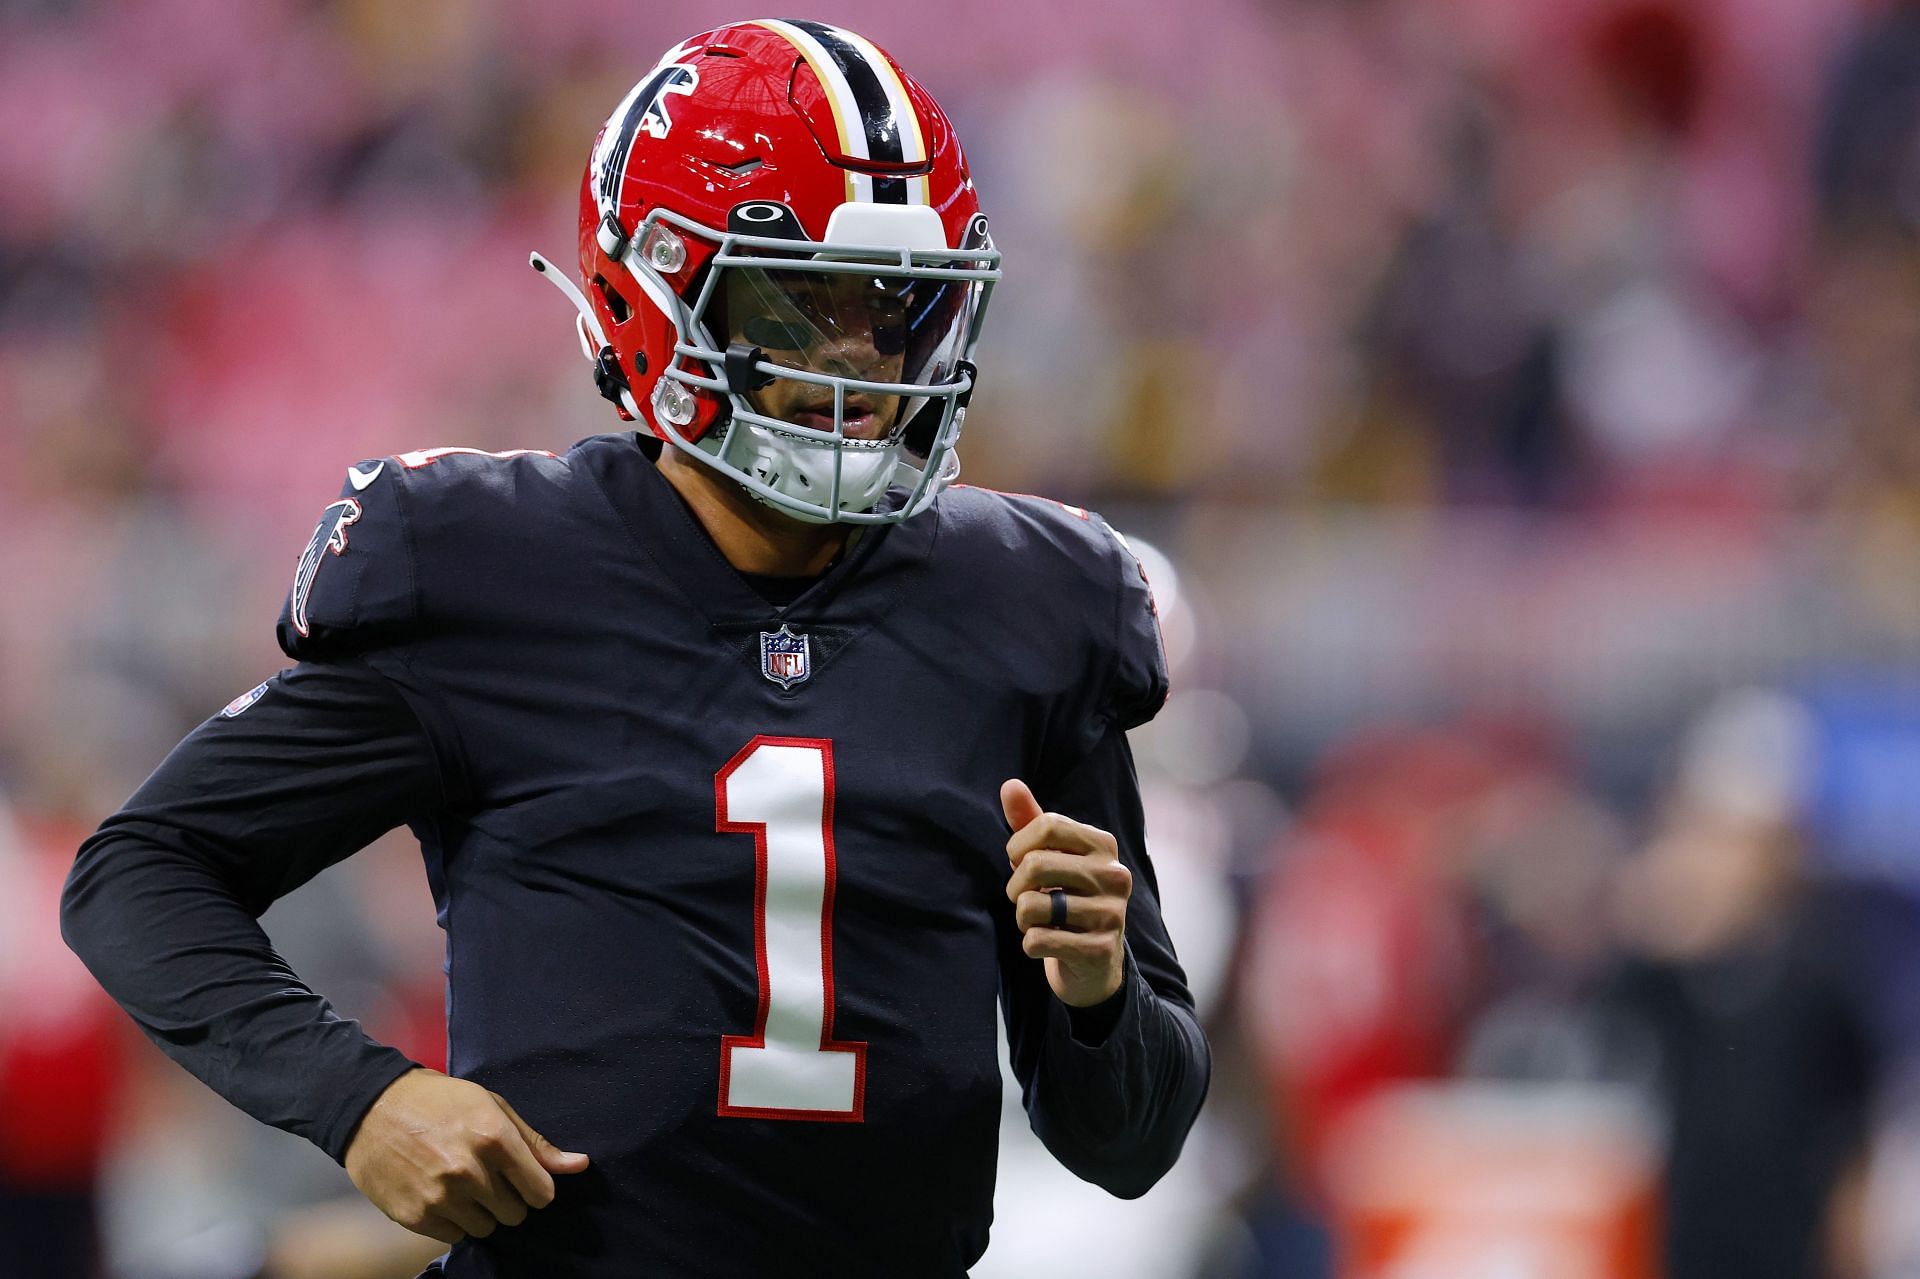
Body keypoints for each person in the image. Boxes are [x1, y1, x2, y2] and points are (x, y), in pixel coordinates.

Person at [60, 19, 1210, 1277]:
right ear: (656, 291)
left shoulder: (1028, 605)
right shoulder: (495, 573)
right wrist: (362, 1097)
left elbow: (1130, 1146)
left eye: (898, 308)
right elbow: (141, 869)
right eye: (802, 300)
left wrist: (1098, 999)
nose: (864, 364)